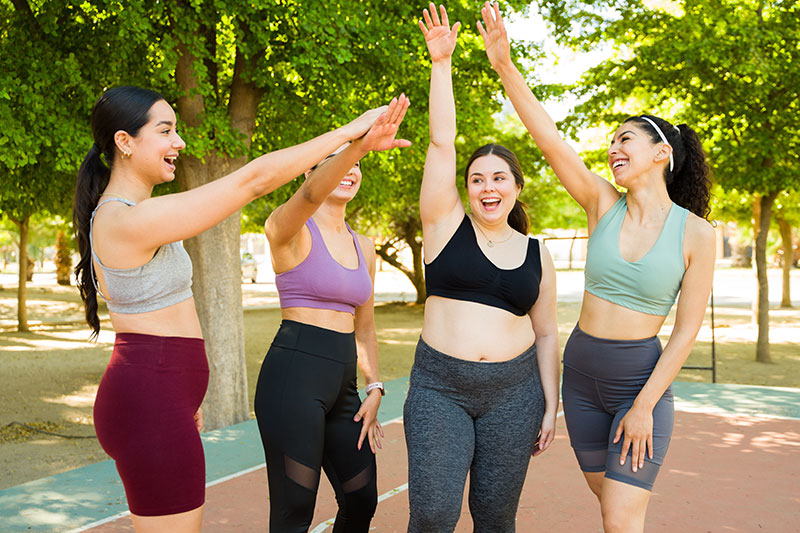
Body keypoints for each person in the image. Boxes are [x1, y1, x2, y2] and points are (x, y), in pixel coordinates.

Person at [73, 85, 396, 533]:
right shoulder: (124, 219)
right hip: (149, 399)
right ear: (124, 142)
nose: (179, 143)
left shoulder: (135, 212)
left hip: (161, 397)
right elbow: (252, 181)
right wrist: (352, 134)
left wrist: (183, 394)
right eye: (165, 131)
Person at [477, 2, 716, 530]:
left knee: (620, 520)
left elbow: (685, 333)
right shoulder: (600, 203)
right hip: (581, 378)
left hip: (639, 382)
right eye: (610, 143)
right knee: (611, 508)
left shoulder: (698, 233)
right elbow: (548, 138)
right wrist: (504, 67)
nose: (612, 150)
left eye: (624, 140)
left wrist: (645, 404)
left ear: (662, 154)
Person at [402, 5, 560, 532]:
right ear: (465, 188)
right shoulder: (444, 224)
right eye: (477, 179)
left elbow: (546, 333)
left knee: (495, 517)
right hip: (439, 387)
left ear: (516, 187)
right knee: (432, 514)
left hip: (515, 394)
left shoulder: (538, 252)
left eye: (499, 178)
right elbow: (441, 142)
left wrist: (549, 402)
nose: (487, 187)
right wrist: (441, 64)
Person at [253, 95, 411, 532]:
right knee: (295, 511)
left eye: (356, 164)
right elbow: (307, 195)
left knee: (361, 499)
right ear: (312, 171)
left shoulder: (364, 246)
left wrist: (374, 385)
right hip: (293, 378)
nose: (350, 169)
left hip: (343, 387)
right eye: (336, 162)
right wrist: (355, 145)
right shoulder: (288, 228)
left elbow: (366, 327)